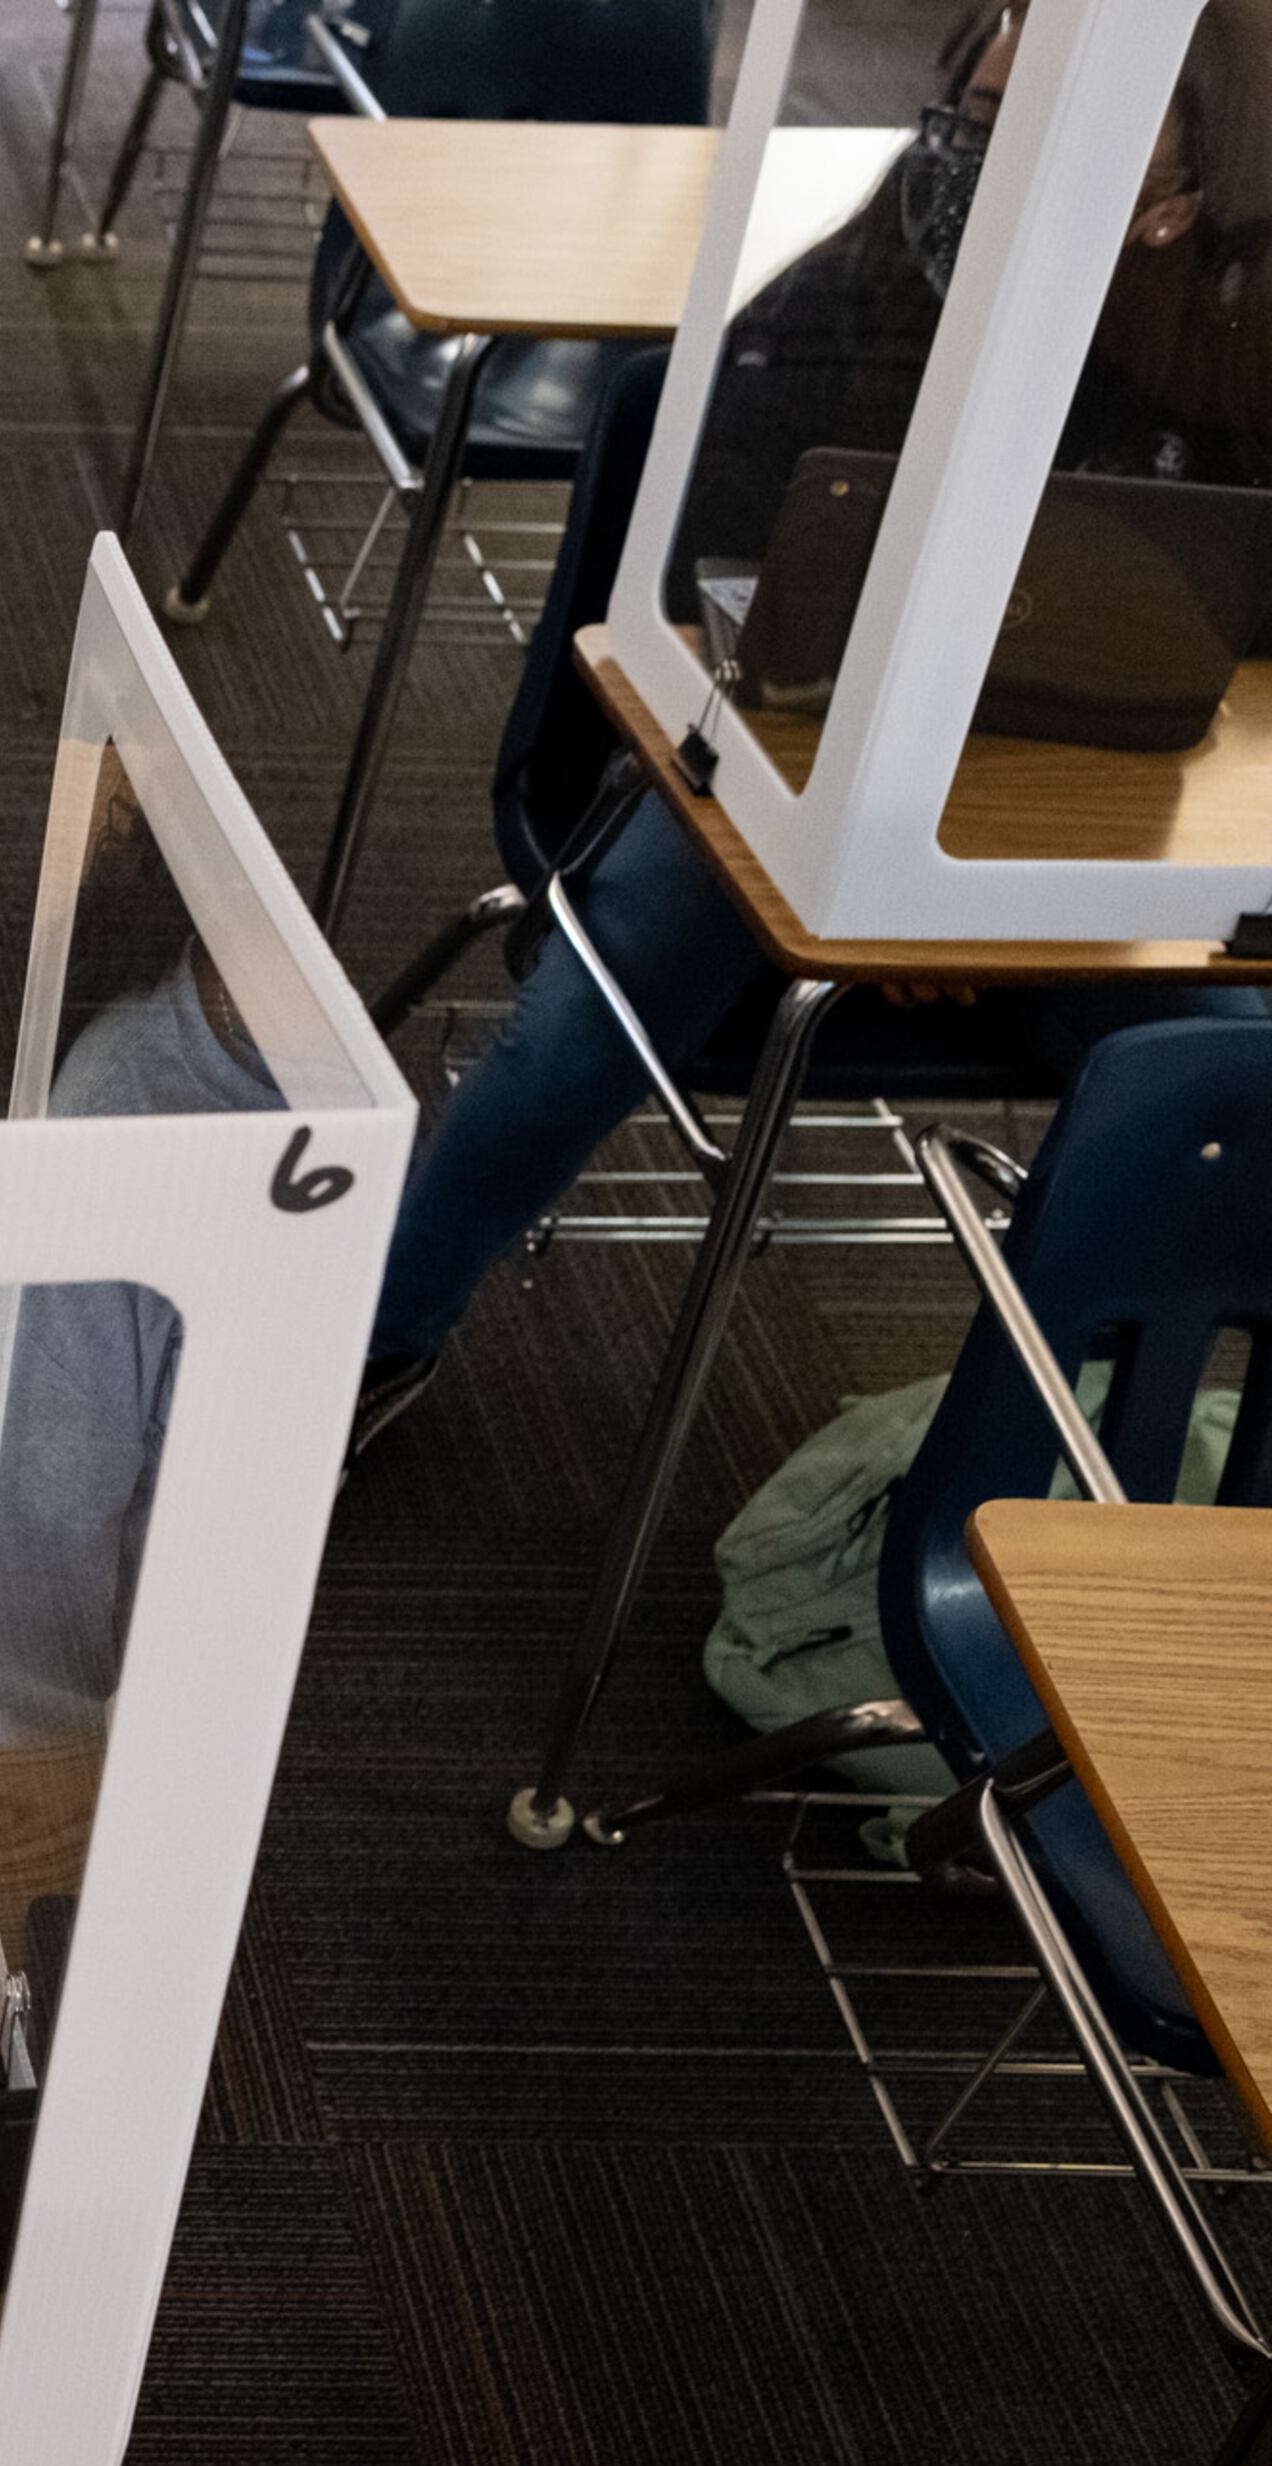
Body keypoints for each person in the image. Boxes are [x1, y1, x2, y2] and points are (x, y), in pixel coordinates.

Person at [352, 0, 1272, 1459]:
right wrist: (882, 869)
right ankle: (381, 1334)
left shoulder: (1235, 327)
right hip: (789, 772)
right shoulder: (880, 274)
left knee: (1234, 1070)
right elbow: (714, 566)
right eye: (974, 120)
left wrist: (959, 908)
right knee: (599, 994)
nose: (977, 159)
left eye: (1040, 140)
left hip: (1078, 817)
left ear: (1181, 196)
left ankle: (1069, 1472)